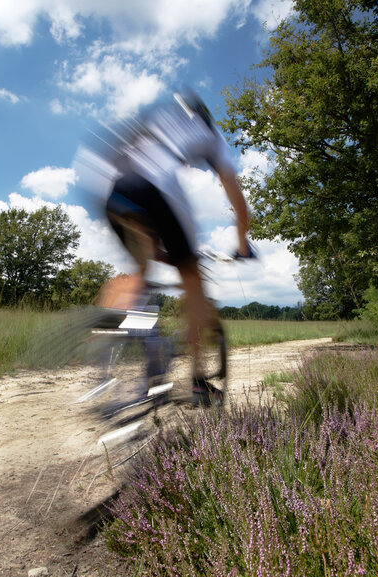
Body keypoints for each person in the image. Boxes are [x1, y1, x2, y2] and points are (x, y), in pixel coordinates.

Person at [83, 89, 255, 403]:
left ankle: (115, 346)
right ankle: (197, 381)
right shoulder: (211, 134)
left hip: (115, 189)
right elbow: (239, 205)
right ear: (204, 116)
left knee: (142, 271)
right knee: (194, 283)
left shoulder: (160, 117)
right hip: (159, 187)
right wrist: (242, 245)